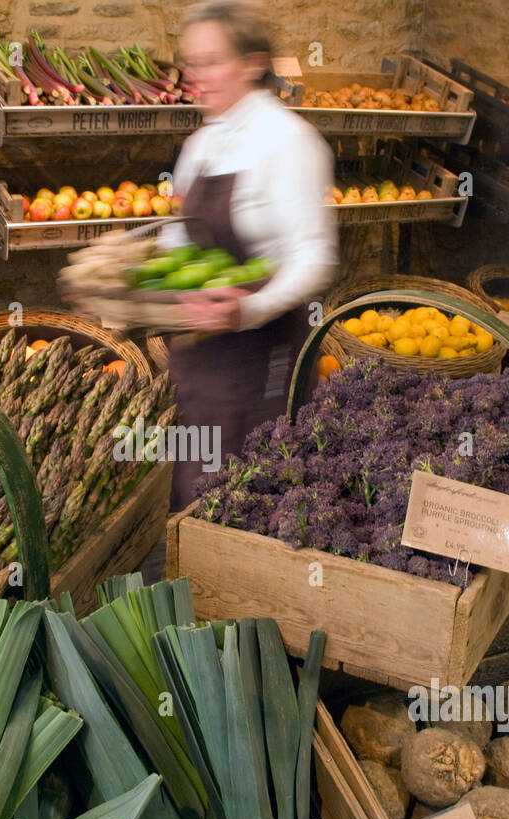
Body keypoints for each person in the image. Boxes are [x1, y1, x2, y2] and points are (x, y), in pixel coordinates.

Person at [159, 0, 338, 509]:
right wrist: (137, 282)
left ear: (253, 62)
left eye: (212, 62)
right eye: (191, 63)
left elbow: (314, 257)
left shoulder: (291, 143)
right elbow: (180, 237)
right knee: (194, 493)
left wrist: (246, 307)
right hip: (200, 360)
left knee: (248, 500)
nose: (198, 77)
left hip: (264, 361)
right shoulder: (201, 143)